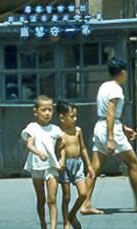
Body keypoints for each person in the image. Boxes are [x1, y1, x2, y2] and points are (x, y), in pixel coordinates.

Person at [81, 58, 137, 215]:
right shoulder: (116, 89)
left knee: (94, 168)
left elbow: (106, 114)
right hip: (111, 130)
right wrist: (111, 138)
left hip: (101, 127)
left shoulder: (104, 86)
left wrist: (123, 128)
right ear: (122, 72)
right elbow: (110, 112)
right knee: (134, 163)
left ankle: (86, 203)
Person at [21, 95, 62, 229]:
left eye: (50, 110)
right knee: (41, 199)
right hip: (36, 166)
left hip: (51, 166)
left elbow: (63, 146)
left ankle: (53, 227)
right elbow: (29, 145)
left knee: (52, 199)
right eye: (43, 110)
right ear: (36, 112)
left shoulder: (55, 129)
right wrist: (39, 153)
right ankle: (43, 224)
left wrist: (62, 160)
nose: (47, 113)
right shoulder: (32, 127)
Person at [56, 101, 95, 229]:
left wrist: (89, 165)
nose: (75, 119)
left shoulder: (78, 131)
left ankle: (72, 214)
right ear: (62, 118)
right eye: (72, 116)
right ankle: (66, 221)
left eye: (76, 116)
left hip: (78, 164)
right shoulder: (59, 133)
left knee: (83, 193)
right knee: (66, 196)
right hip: (65, 166)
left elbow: (83, 148)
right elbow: (56, 150)